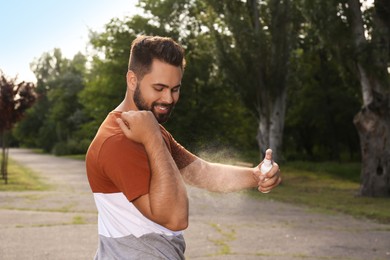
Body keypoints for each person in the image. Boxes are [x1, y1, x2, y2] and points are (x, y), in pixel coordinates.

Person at [86, 35, 282, 260]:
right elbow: (175, 218)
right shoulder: (119, 140)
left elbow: (200, 171)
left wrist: (256, 176)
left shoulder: (149, 128)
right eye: (159, 88)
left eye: (175, 89)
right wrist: (151, 137)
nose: (168, 99)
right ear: (132, 80)